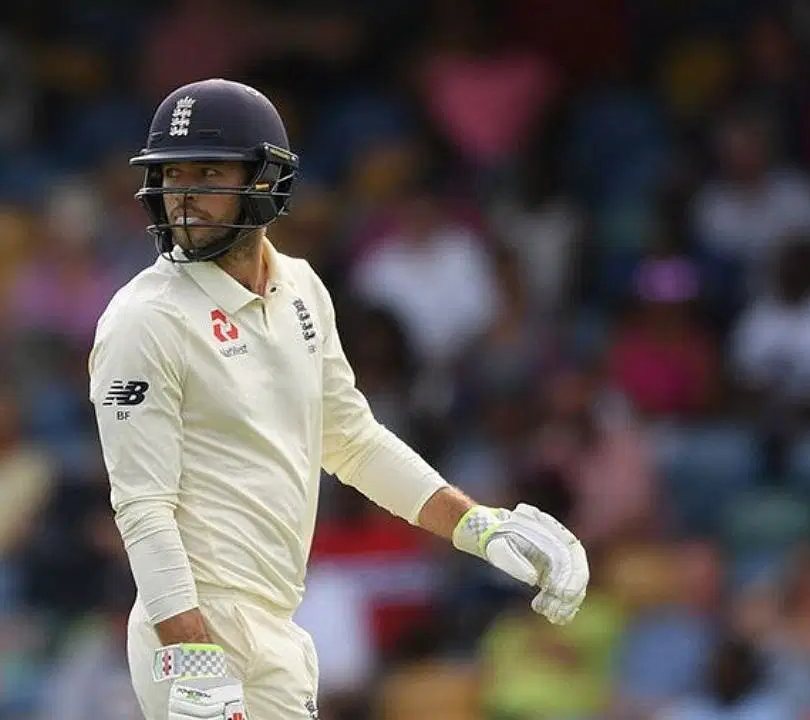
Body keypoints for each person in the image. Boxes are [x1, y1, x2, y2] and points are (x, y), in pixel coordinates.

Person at [87, 78, 589, 720]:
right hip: (193, 628)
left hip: (276, 625)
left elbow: (350, 440)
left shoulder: (301, 289)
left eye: (207, 173)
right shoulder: (144, 320)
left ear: (265, 179)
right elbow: (141, 506)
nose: (183, 197)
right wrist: (192, 657)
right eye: (170, 175)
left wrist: (477, 527)